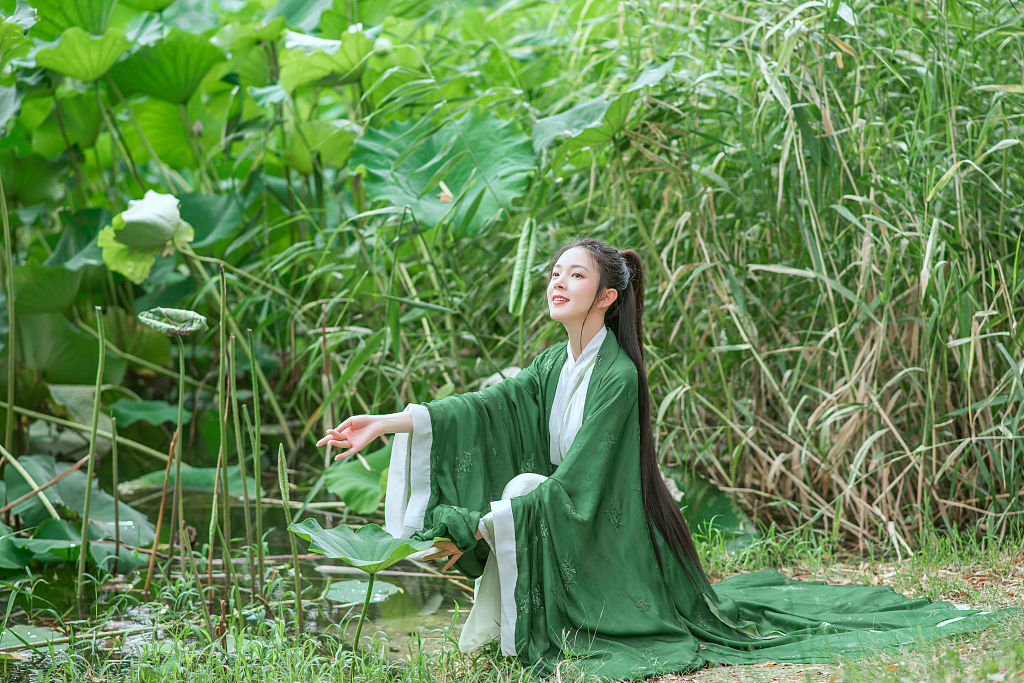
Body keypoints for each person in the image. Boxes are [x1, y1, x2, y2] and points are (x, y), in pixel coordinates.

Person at [318, 238, 1013, 678]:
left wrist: (502, 515)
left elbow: (584, 479)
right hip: (571, 515)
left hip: (610, 538)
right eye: (555, 272)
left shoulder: (617, 376)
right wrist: (387, 422)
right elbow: (484, 408)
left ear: (608, 295)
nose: (558, 282)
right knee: (521, 491)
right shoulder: (551, 363)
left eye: (576, 274)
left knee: (524, 494)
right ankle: (506, 627)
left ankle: (514, 627)